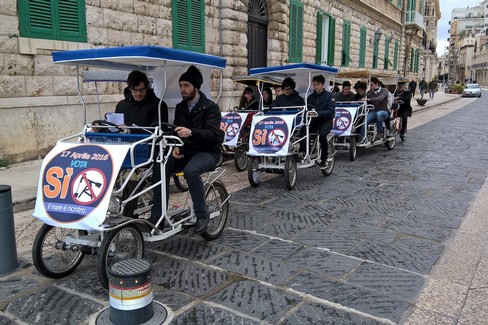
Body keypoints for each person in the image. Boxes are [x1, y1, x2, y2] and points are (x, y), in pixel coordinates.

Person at [150, 65, 223, 234]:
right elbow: (176, 130)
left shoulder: (211, 107)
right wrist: (175, 145)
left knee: (191, 171)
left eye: (186, 85)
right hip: (186, 151)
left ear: (196, 87)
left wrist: (191, 133)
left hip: (208, 152)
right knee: (159, 166)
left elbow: (213, 135)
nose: (182, 89)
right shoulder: (181, 107)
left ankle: (202, 215)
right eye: (181, 85)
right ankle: (158, 216)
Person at [302, 75, 336, 169]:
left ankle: (324, 159)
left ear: (322, 85)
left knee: (322, 135)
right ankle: (305, 153)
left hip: (326, 121)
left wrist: (318, 113)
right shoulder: (310, 97)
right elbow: (307, 109)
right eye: (314, 84)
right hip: (314, 121)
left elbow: (331, 111)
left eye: (318, 84)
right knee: (303, 131)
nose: (316, 86)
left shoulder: (329, 95)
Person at [358, 77, 389, 142]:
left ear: (376, 84)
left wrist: (368, 99)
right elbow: (364, 100)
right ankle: (362, 139)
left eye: (371, 85)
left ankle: (379, 134)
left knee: (379, 114)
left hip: (384, 111)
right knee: (364, 122)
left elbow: (380, 98)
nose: (370, 87)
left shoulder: (384, 90)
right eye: (369, 85)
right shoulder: (369, 92)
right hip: (374, 111)